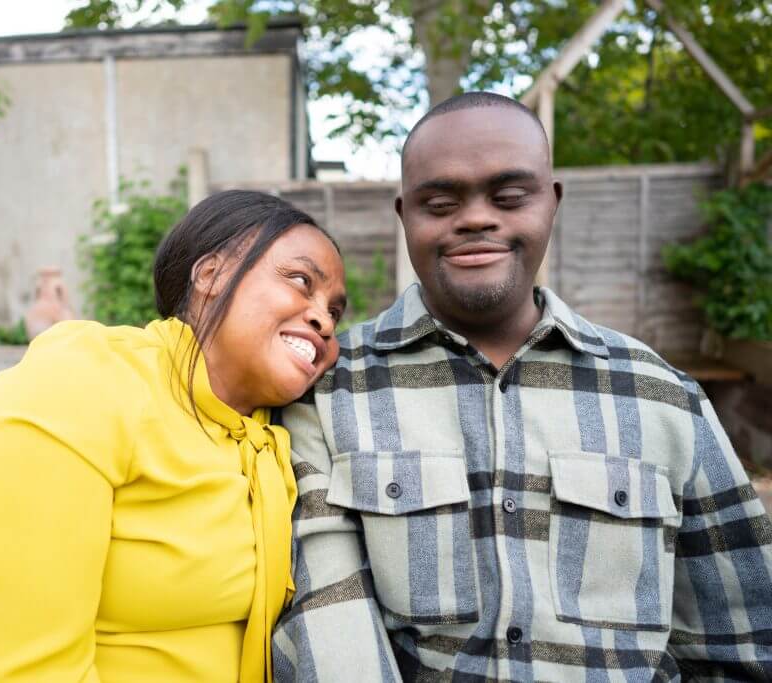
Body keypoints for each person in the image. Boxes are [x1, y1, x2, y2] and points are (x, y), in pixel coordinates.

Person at [273, 92, 772, 681]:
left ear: (551, 203)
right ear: (404, 214)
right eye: (440, 201)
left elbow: (741, 648)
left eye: (509, 197)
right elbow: (326, 618)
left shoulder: (662, 397)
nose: (477, 217)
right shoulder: (329, 393)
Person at [0, 190, 347, 682]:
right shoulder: (86, 382)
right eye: (302, 281)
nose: (324, 318)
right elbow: (8, 669)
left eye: (335, 310)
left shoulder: (272, 438)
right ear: (211, 274)